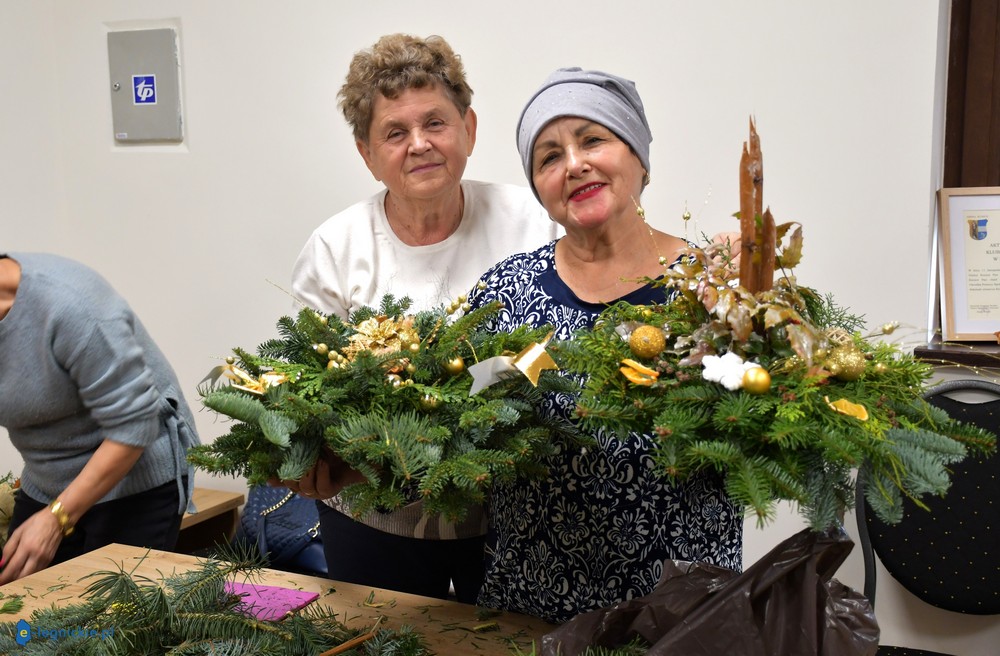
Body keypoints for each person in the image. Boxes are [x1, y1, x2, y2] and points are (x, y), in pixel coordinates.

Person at [287, 34, 560, 603]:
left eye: (435, 122)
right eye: (394, 132)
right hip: (374, 517)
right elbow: (319, 390)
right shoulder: (336, 248)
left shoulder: (532, 223)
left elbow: (565, 343)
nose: (419, 145)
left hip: (510, 512)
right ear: (366, 154)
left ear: (469, 129)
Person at [465, 68, 744, 623]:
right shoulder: (503, 292)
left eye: (593, 139)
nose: (573, 165)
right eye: (548, 157)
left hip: (680, 619)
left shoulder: (709, 288)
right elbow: (454, 416)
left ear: (638, 157)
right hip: (529, 610)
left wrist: (752, 316)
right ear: (539, 188)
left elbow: (773, 423)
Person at [0, 252, 199, 585]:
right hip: (46, 478)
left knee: (110, 630)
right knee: (21, 617)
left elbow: (135, 425)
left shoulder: (70, 304)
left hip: (134, 479)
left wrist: (55, 519)